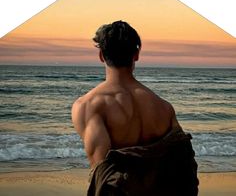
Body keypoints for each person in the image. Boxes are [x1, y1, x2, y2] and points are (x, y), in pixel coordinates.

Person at [71, 21, 199, 196]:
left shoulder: (89, 106)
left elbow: (102, 173)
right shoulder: (164, 107)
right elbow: (184, 166)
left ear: (101, 55)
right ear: (136, 54)